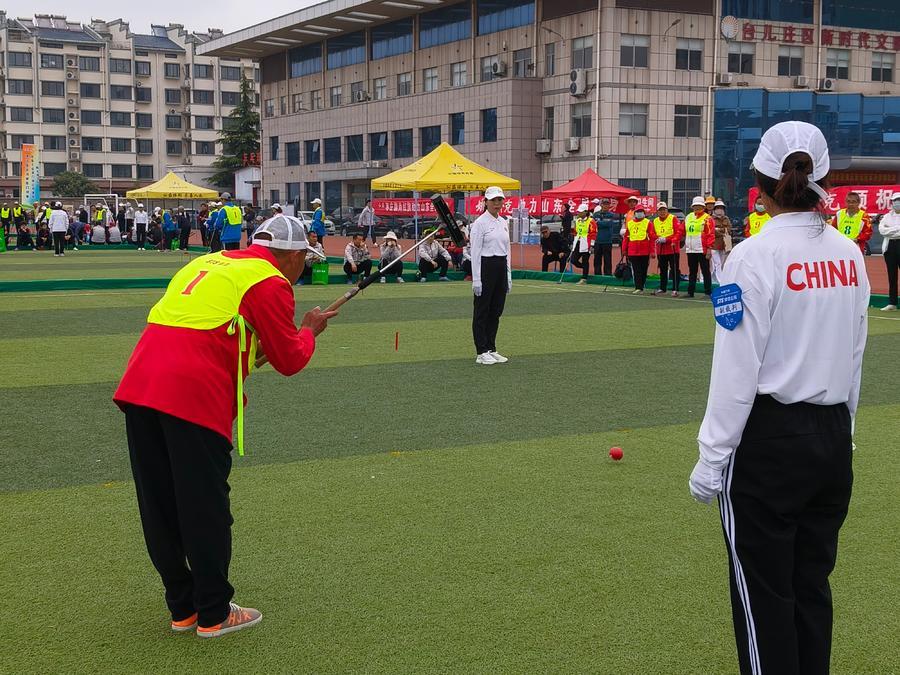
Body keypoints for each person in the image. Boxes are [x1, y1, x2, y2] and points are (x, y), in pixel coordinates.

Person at [690, 121, 870, 675]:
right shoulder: (849, 254)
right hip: (831, 438)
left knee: (764, 598)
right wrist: (845, 433)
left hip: (768, 445)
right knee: (811, 587)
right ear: (821, 179)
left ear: (762, 184)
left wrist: (711, 458)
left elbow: (736, 368)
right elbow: (855, 354)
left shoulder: (751, 256)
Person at [114, 214, 335, 639]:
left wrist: (256, 349)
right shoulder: (270, 281)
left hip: (140, 385)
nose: (302, 268)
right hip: (193, 396)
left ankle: (183, 608)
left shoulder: (208, 262)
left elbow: (208, 326)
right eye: (304, 260)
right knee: (203, 506)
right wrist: (309, 331)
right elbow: (290, 360)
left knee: (159, 503)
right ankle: (214, 613)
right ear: (291, 256)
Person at [471, 186, 511, 365]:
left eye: (499, 200)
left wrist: (508, 275)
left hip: (501, 266)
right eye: (493, 200)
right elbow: (475, 252)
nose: (497, 203)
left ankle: (491, 347)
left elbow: (507, 250)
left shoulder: (503, 222)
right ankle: (481, 351)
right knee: (482, 310)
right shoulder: (480, 223)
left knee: (496, 310)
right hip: (486, 266)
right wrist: (477, 279)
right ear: (486, 201)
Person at [684, 196, 715, 298]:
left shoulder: (707, 218)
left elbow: (710, 234)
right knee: (692, 271)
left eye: (699, 206)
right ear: (692, 207)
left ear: (703, 207)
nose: (697, 208)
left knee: (705, 271)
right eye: (695, 206)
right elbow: (681, 230)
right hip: (690, 249)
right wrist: (675, 239)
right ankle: (690, 292)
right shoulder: (688, 217)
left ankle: (708, 292)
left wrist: (709, 248)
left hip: (702, 249)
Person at [650, 202, 683, 297]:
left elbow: (677, 233)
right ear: (657, 212)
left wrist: (666, 239)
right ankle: (662, 288)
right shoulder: (655, 221)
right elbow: (652, 234)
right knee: (662, 270)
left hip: (672, 249)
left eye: (664, 209)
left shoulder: (673, 218)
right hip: (661, 249)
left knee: (674, 269)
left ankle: (675, 289)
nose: (662, 212)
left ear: (667, 210)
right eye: (660, 210)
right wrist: (658, 238)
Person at [622, 205, 652, 294]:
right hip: (633, 251)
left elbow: (652, 237)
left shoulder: (648, 223)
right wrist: (624, 249)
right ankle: (638, 287)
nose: (640, 213)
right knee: (636, 269)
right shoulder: (630, 223)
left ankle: (641, 285)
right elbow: (626, 238)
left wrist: (652, 251)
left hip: (644, 250)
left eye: (641, 212)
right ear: (635, 213)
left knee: (644, 270)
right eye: (638, 212)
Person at [878, 191, 900, 311]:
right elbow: (882, 230)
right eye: (895, 200)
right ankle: (892, 303)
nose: (897, 203)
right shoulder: (887, 216)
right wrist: (896, 230)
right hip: (889, 247)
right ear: (892, 202)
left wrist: (890, 229)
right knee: (892, 276)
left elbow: (887, 231)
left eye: (899, 200)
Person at [592, 198, 618, 276]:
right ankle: (597, 275)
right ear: (601, 205)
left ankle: (608, 275)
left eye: (607, 204)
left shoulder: (611, 215)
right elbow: (593, 225)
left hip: (607, 241)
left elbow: (609, 224)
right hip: (597, 241)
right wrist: (602, 223)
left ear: (609, 205)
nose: (606, 206)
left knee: (607, 260)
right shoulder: (595, 214)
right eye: (604, 204)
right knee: (597, 260)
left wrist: (598, 223)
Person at [709, 200, 733, 283]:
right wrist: (722, 231)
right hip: (714, 244)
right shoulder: (711, 219)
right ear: (715, 209)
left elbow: (729, 229)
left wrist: (719, 229)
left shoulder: (726, 219)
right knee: (717, 263)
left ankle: (714, 278)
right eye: (718, 208)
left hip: (724, 244)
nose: (720, 210)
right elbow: (712, 231)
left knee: (722, 263)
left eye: (721, 208)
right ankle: (720, 280)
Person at [570, 203, 593, 284]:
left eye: (580, 212)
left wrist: (592, 245)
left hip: (587, 243)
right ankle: (585, 269)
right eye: (578, 212)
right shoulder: (577, 220)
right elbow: (575, 232)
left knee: (585, 260)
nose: (578, 213)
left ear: (585, 212)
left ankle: (584, 278)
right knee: (573, 260)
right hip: (578, 242)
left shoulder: (591, 221)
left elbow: (593, 233)